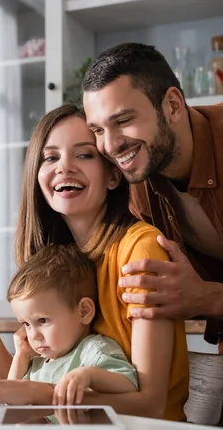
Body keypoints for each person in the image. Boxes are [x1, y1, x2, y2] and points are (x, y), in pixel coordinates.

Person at [0, 103, 189, 420]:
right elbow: (14, 382)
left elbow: (151, 405)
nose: (64, 168)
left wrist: (41, 395)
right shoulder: (58, 261)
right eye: (51, 157)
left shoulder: (141, 250)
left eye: (84, 155)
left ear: (112, 176)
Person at [82, 42, 223, 352]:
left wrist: (208, 297)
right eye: (98, 129)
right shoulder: (136, 184)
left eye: (122, 121)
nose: (110, 145)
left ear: (172, 105)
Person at [5, 245, 138, 405]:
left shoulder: (93, 352)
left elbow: (129, 385)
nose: (33, 335)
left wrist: (88, 376)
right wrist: (21, 356)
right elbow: (11, 402)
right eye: (26, 324)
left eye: (42, 321)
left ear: (84, 312)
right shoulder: (38, 364)